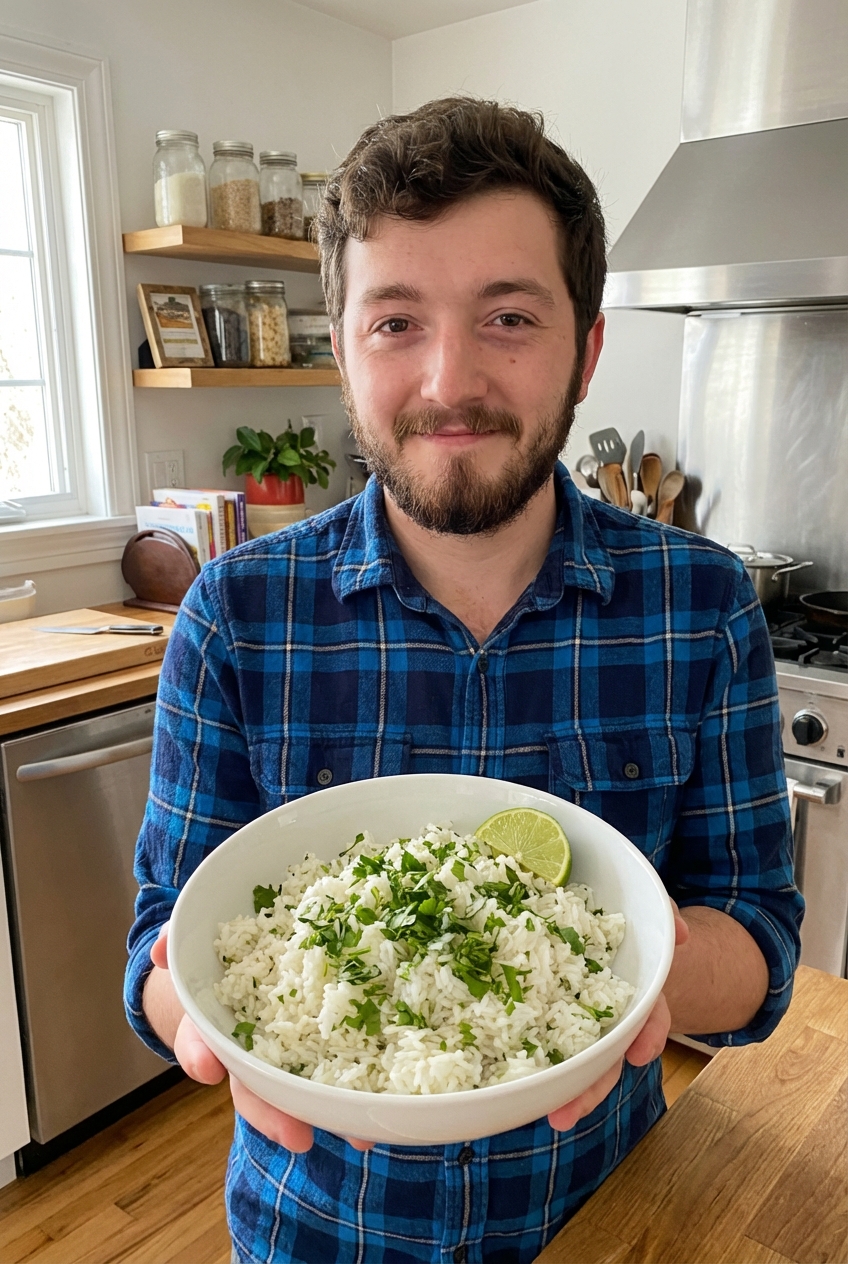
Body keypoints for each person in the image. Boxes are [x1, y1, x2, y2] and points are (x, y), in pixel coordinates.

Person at [125, 98, 802, 1264]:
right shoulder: (235, 618)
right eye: (394, 321)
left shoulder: (701, 608)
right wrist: (208, 1032)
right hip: (312, 1235)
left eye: (506, 316)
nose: (450, 380)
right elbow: (162, 944)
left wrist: (624, 986)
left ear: (584, 350)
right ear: (338, 347)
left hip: (610, 1222)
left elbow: (758, 946)